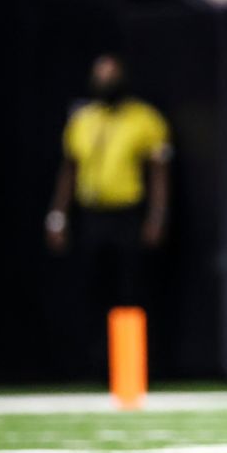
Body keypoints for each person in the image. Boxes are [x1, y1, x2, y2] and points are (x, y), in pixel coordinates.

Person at [46, 54, 171, 371]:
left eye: (111, 74)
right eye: (100, 75)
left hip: (127, 214)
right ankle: (92, 363)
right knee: (90, 289)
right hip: (90, 215)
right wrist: (57, 216)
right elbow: (69, 170)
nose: (106, 81)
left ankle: (131, 366)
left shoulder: (144, 118)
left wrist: (156, 217)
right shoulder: (83, 119)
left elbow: (159, 173)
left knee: (131, 289)